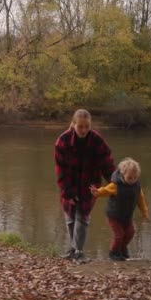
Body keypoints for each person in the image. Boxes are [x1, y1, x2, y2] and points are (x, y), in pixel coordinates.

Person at [55, 109, 115, 262]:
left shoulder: (97, 141)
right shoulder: (63, 141)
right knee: (70, 217)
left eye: (87, 126)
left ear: (90, 125)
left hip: (89, 185)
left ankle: (79, 252)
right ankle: (73, 249)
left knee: (82, 217)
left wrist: (116, 184)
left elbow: (107, 164)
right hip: (69, 183)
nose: (83, 130)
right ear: (73, 124)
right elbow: (60, 169)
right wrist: (68, 191)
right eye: (80, 126)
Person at [90, 157, 149, 261]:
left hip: (127, 216)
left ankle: (122, 248)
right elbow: (105, 191)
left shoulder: (136, 186)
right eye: (130, 177)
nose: (133, 180)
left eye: (135, 178)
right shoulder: (115, 185)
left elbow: (140, 199)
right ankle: (113, 253)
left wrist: (144, 211)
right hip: (114, 215)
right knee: (119, 235)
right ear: (122, 175)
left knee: (130, 232)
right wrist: (97, 192)